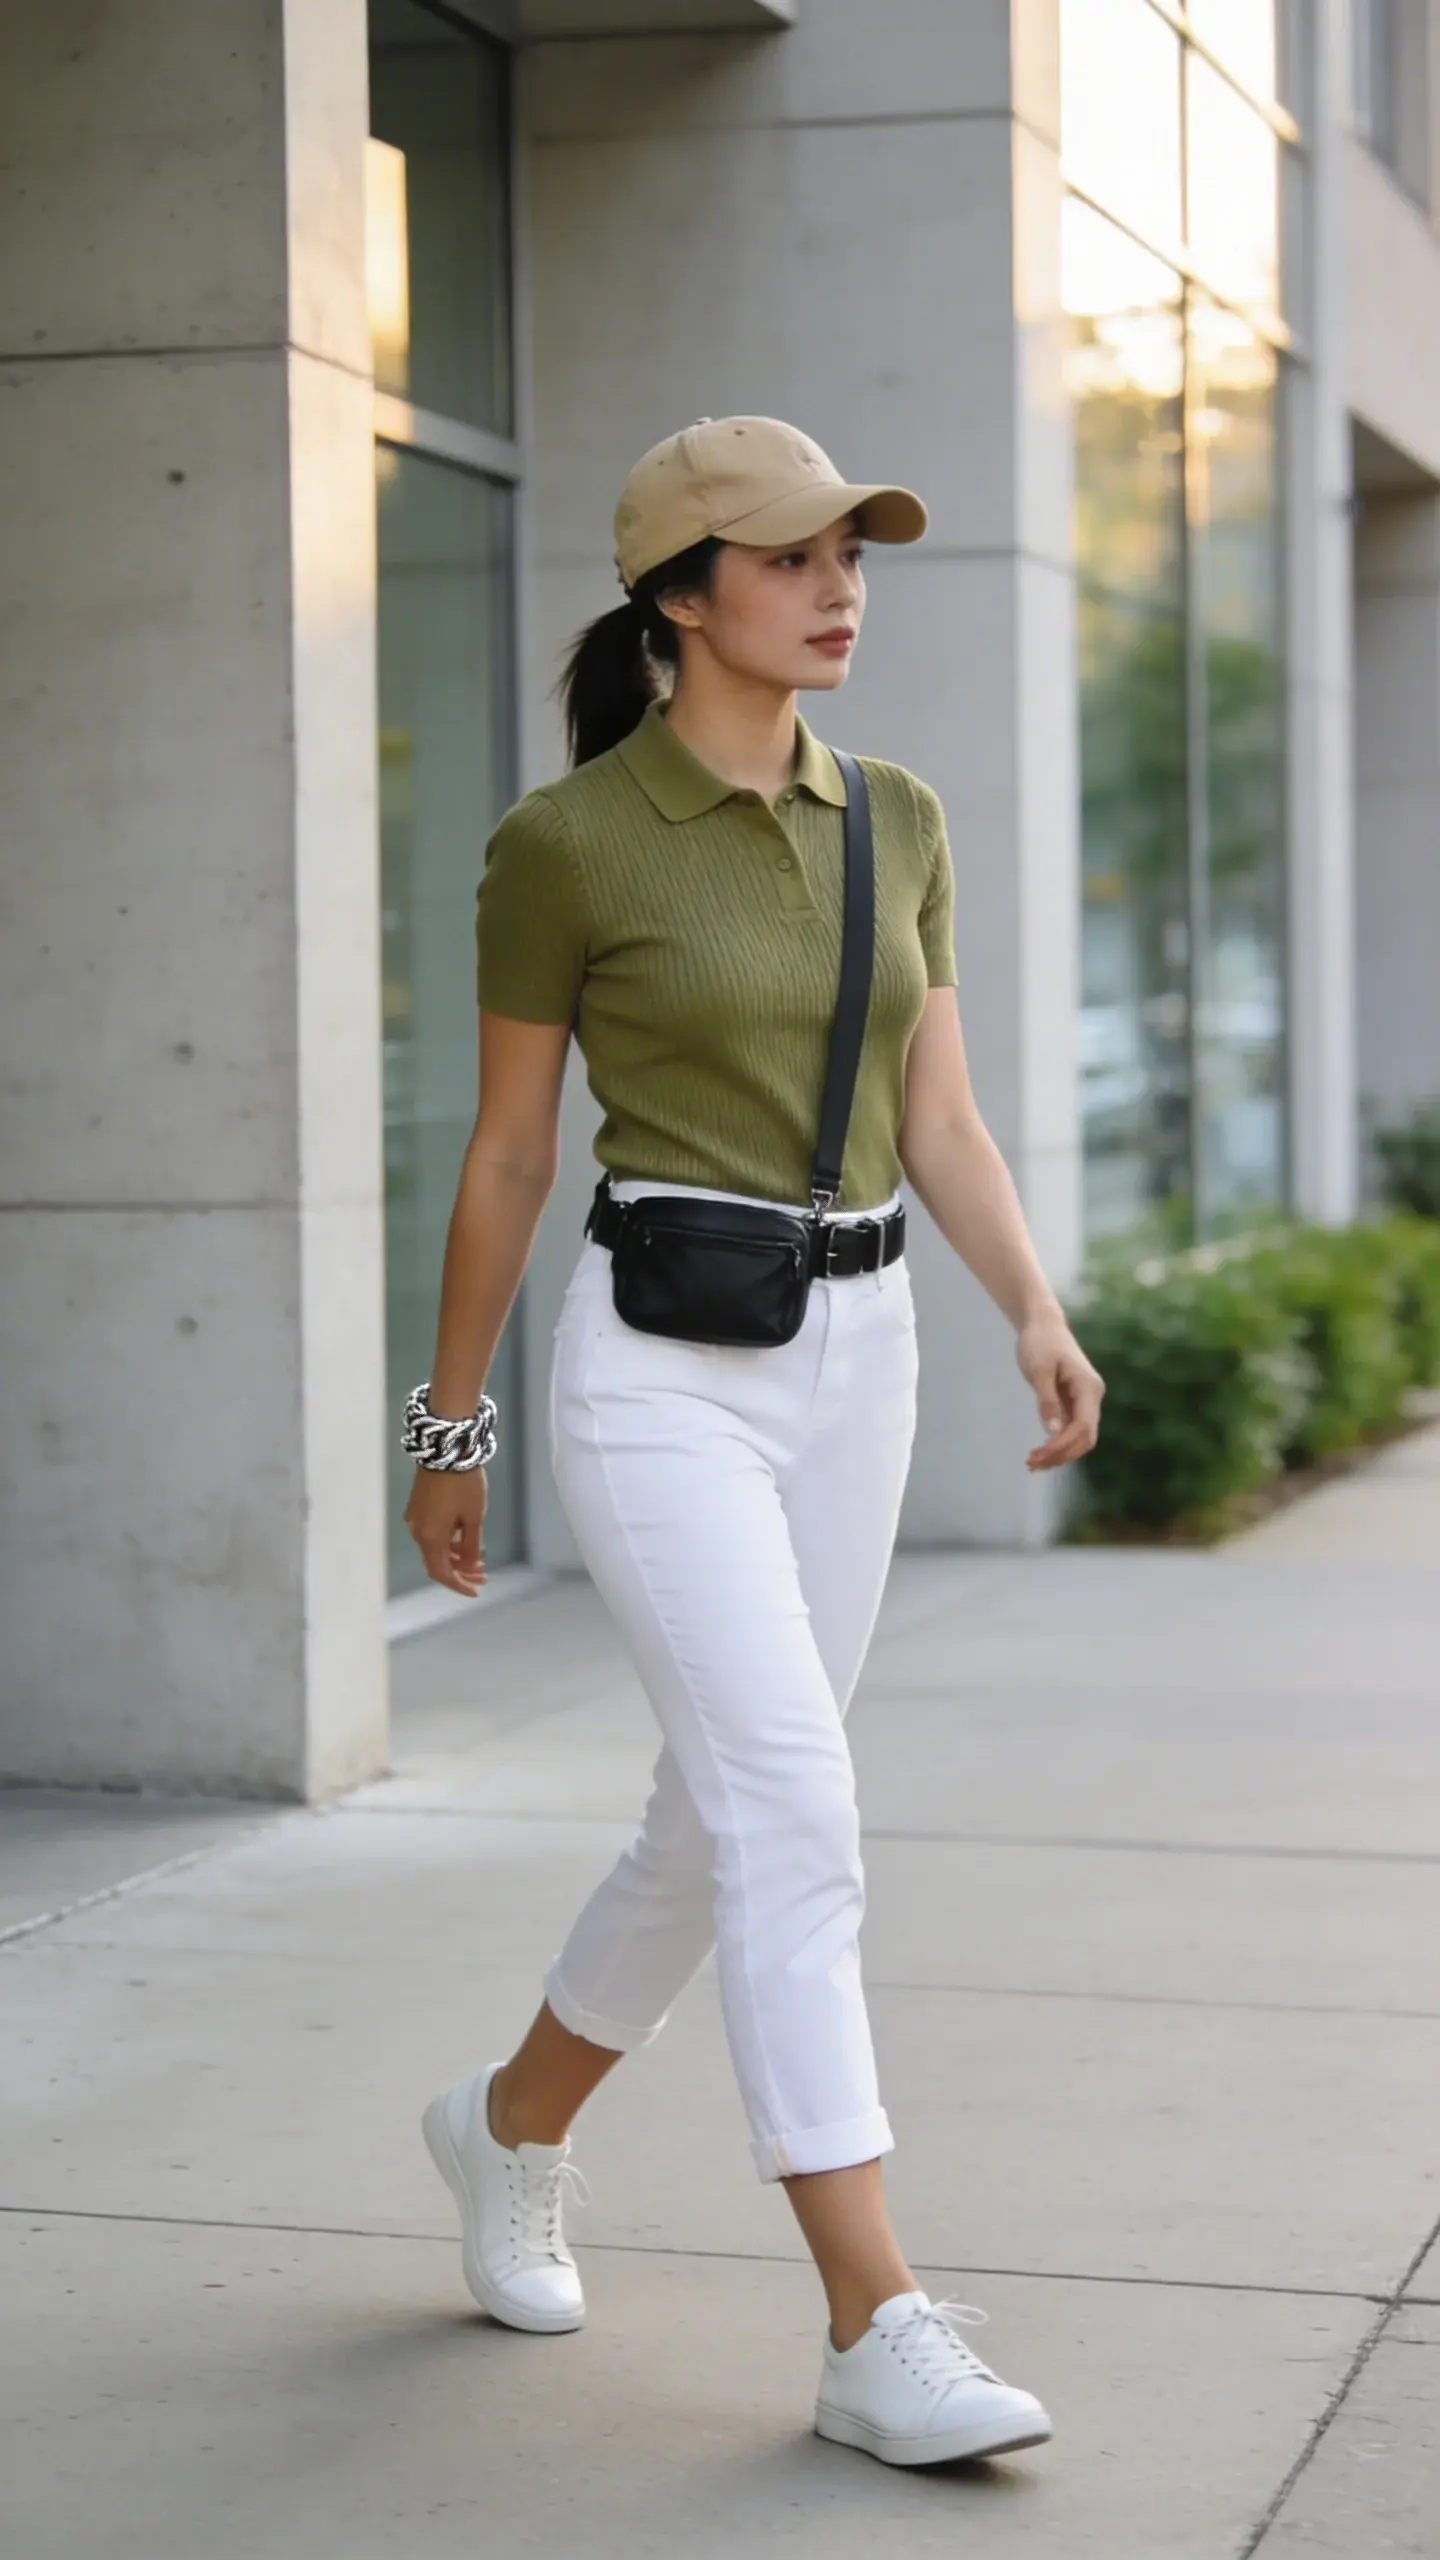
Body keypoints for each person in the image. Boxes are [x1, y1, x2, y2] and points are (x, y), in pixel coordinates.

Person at [404, 416, 1104, 2470]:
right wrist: (455, 1418)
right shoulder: (570, 846)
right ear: (678, 597)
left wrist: (1033, 1309)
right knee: (796, 1802)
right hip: (661, 1370)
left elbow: (945, 1116)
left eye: (852, 553)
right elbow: (514, 1145)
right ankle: (875, 2316)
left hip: (860, 1353)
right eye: (791, 556)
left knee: (717, 1820)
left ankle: (506, 2119)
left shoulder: (897, 811)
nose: (839, 585)